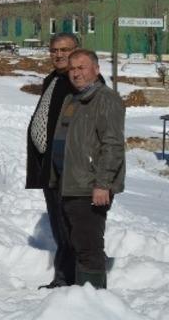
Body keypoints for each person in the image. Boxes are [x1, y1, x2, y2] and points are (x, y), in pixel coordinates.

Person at [49, 48, 125, 289]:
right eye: (72, 68)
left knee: (88, 245)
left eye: (82, 67)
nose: (76, 73)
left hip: (90, 185)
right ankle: (74, 294)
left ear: (96, 69)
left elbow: (112, 144)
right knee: (72, 242)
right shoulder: (72, 99)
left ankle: (92, 299)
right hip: (68, 183)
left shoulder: (106, 99)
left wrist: (103, 183)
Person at [25, 32, 80, 288]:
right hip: (49, 165)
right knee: (58, 222)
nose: (59, 55)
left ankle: (71, 280)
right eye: (54, 50)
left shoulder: (80, 80)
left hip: (68, 165)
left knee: (70, 224)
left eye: (65, 50)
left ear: (76, 50)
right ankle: (63, 276)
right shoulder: (53, 79)